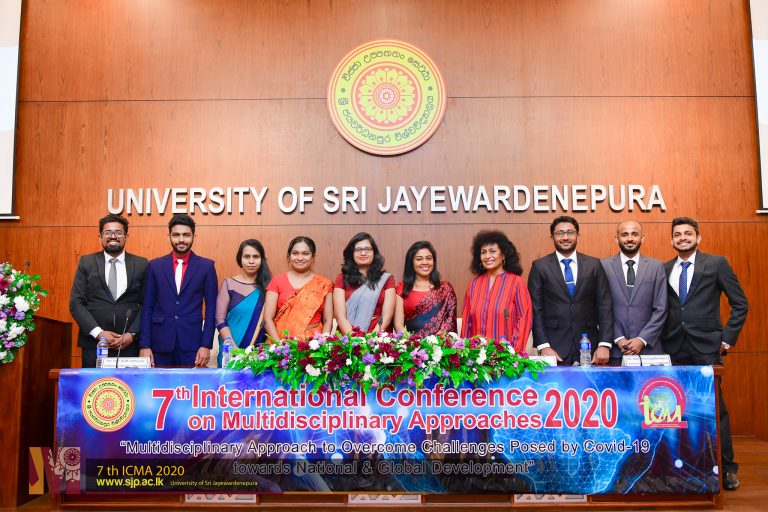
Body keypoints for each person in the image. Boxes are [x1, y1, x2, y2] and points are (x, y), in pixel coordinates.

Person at [662, 217, 748, 491]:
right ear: (672, 240)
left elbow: (740, 304)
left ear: (698, 238)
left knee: (715, 409)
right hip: (673, 349)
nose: (683, 238)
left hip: (706, 348)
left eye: (688, 233)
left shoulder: (716, 264)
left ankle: (728, 469)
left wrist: (727, 339)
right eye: (677, 234)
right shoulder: (664, 269)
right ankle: (685, 468)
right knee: (677, 411)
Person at [528, 216, 613, 365]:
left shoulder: (594, 264)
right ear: (552, 237)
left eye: (570, 233)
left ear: (577, 235)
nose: (565, 237)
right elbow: (536, 308)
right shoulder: (540, 266)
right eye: (560, 233)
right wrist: (543, 346)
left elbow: (605, 305)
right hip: (553, 346)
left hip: (589, 346)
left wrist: (604, 344)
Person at [69, 214, 147, 367]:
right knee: (95, 383)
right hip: (94, 344)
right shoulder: (86, 262)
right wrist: (98, 333)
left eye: (118, 232)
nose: (113, 236)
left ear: (126, 236)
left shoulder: (141, 264)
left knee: (127, 384)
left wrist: (132, 335)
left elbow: (147, 305)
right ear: (100, 236)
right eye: (108, 232)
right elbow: (76, 303)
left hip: (129, 346)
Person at [139, 214, 218, 367]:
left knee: (190, 383)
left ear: (194, 236)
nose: (181, 240)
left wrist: (206, 344)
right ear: (169, 236)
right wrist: (145, 345)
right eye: (176, 235)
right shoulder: (155, 266)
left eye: (186, 235)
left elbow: (211, 308)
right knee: (158, 382)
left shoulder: (206, 266)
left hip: (192, 344)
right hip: (159, 343)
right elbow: (147, 307)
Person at [600, 220, 667, 363]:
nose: (630, 238)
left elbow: (661, 309)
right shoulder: (603, 266)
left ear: (642, 238)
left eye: (634, 234)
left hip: (649, 352)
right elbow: (600, 308)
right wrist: (619, 339)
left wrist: (642, 339)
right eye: (624, 235)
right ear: (616, 238)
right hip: (615, 351)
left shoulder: (656, 267)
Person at [460, 230, 532, 352]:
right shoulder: (473, 285)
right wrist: (465, 353)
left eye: (492, 251)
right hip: (476, 357)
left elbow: (524, 319)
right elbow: (466, 323)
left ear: (503, 255)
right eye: (483, 252)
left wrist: (512, 353)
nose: (487, 256)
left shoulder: (516, 282)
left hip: (506, 357)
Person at [215, 239, 272, 366]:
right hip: (229, 354)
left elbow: (270, 321)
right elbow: (220, 320)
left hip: (258, 356)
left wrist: (251, 354)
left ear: (262, 259)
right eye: (247, 256)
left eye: (255, 257)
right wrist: (235, 350)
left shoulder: (269, 287)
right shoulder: (229, 284)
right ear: (240, 259)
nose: (251, 261)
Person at [264, 236, 333, 340]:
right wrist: (279, 345)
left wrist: (322, 343)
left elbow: (328, 320)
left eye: (305, 253)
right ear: (289, 256)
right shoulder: (277, 281)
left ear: (313, 257)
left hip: (313, 342)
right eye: (295, 253)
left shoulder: (324, 284)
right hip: (280, 340)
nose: (300, 258)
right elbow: (268, 319)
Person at [333, 232, 395, 334]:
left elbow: (387, 316)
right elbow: (340, 317)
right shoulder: (342, 278)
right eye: (358, 250)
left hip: (378, 337)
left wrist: (372, 339)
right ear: (351, 253)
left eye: (367, 249)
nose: (363, 253)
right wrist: (354, 339)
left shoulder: (386, 279)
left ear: (374, 252)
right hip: (348, 337)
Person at [394, 241, 457, 337]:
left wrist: (436, 343)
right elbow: (398, 325)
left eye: (429, 258)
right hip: (411, 344)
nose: (425, 263)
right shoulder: (401, 289)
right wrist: (414, 343)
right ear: (411, 262)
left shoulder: (445, 288)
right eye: (419, 259)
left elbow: (449, 322)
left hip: (440, 344)